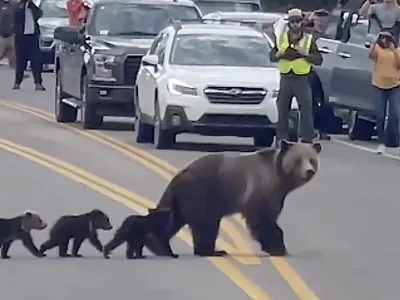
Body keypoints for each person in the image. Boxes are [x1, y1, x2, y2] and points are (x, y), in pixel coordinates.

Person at [270, 8, 323, 145]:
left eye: (298, 21)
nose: (295, 24)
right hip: (286, 77)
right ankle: (281, 138)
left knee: (306, 108)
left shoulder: (308, 39)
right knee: (282, 109)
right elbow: (272, 56)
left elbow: (318, 59)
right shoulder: (281, 38)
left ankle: (307, 139)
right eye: (292, 22)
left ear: (302, 22)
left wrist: (305, 54)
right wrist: (277, 55)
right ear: (289, 23)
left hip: (302, 78)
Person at [368, 31, 400, 154]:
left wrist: (394, 49)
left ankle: (395, 140)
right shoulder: (377, 48)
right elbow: (371, 56)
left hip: (395, 85)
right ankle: (381, 141)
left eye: (388, 39)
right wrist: (375, 42)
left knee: (395, 114)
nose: (385, 41)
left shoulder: (396, 50)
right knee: (380, 115)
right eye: (383, 38)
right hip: (378, 84)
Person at [13, 0, 44, 90]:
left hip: (33, 37)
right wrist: (21, 6)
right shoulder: (17, 7)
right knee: (20, 61)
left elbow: (39, 14)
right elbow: (15, 16)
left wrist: (32, 5)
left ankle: (38, 83)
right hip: (21, 37)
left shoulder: (32, 7)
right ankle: (17, 82)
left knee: (36, 61)